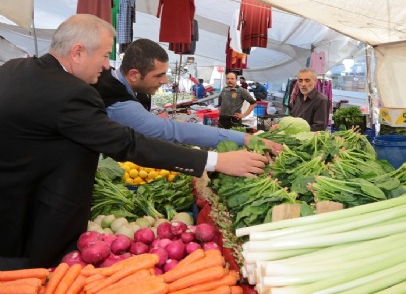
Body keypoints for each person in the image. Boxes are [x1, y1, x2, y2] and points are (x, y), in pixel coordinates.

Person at [0, 14, 272, 270]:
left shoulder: (14, 69)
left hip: (11, 207)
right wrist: (216, 161)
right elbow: (129, 144)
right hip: (31, 220)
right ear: (78, 52)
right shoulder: (71, 93)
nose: (107, 65)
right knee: (30, 278)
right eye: (105, 55)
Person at [93, 38, 282, 152]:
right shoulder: (118, 101)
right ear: (134, 75)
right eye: (158, 75)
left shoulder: (114, 82)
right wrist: (244, 139)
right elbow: (174, 132)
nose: (165, 81)